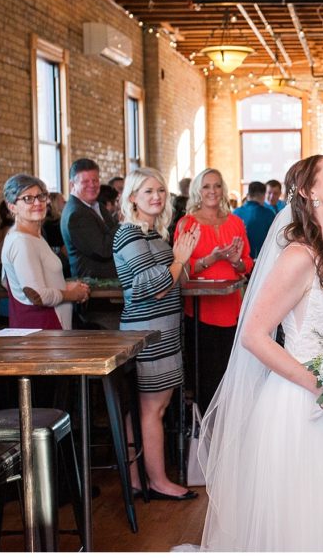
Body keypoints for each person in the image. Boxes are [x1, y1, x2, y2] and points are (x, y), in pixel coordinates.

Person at [195, 155, 323, 550]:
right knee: (308, 520)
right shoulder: (299, 256)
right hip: (303, 405)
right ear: (310, 191)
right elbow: (254, 335)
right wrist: (319, 386)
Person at [114, 167, 200, 501]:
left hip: (163, 332)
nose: (157, 197)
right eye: (148, 191)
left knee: (149, 409)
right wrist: (179, 259)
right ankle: (158, 481)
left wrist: (184, 259)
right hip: (147, 333)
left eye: (161, 190)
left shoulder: (152, 233)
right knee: (152, 409)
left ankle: (138, 479)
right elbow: (155, 288)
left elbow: (175, 278)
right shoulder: (129, 234)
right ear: (132, 197)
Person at [175, 168, 253, 407]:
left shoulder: (236, 222)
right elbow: (180, 269)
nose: (212, 191)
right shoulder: (187, 224)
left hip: (232, 309)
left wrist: (235, 262)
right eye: (207, 186)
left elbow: (247, 263)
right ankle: (207, 427)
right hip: (201, 311)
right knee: (207, 379)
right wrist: (210, 259)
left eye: (217, 185)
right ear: (198, 190)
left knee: (232, 377)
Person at [1, 174, 89, 331]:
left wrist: (65, 286)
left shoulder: (33, 236)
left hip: (49, 327)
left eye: (41, 196)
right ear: (12, 206)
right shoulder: (21, 241)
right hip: (42, 328)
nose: (37, 203)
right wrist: (72, 295)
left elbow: (13, 283)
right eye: (28, 198)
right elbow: (37, 295)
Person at [61, 158, 119, 279]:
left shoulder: (98, 206)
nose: (92, 185)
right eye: (85, 181)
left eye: (95, 180)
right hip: (95, 285)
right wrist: (123, 222)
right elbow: (103, 250)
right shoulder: (76, 214)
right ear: (72, 185)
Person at [233, 180, 276, 258]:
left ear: (248, 195)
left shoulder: (235, 213)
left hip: (239, 258)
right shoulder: (269, 214)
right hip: (261, 258)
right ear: (263, 195)